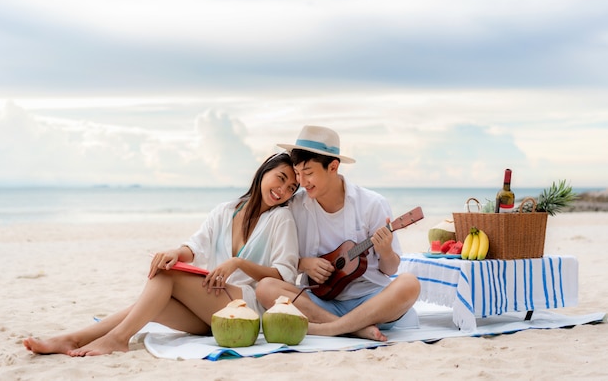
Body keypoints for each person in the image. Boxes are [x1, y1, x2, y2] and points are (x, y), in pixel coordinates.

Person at [23, 153, 300, 356]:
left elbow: (283, 275)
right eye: (281, 178)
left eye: (291, 189)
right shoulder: (226, 210)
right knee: (152, 302)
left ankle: (117, 338)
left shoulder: (282, 218)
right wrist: (174, 252)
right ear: (264, 171)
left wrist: (237, 263)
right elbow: (194, 247)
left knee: (167, 276)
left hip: (246, 307)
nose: (283, 190)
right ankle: (72, 339)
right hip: (212, 311)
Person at [255, 126, 420, 341]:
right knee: (265, 287)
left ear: (333, 167)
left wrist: (386, 251)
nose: (302, 183)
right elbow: (276, 259)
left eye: (309, 173)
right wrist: (304, 264)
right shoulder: (294, 207)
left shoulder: (372, 204)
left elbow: (390, 269)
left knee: (409, 283)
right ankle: (352, 329)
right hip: (320, 302)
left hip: (370, 301)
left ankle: (327, 329)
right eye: (297, 173)